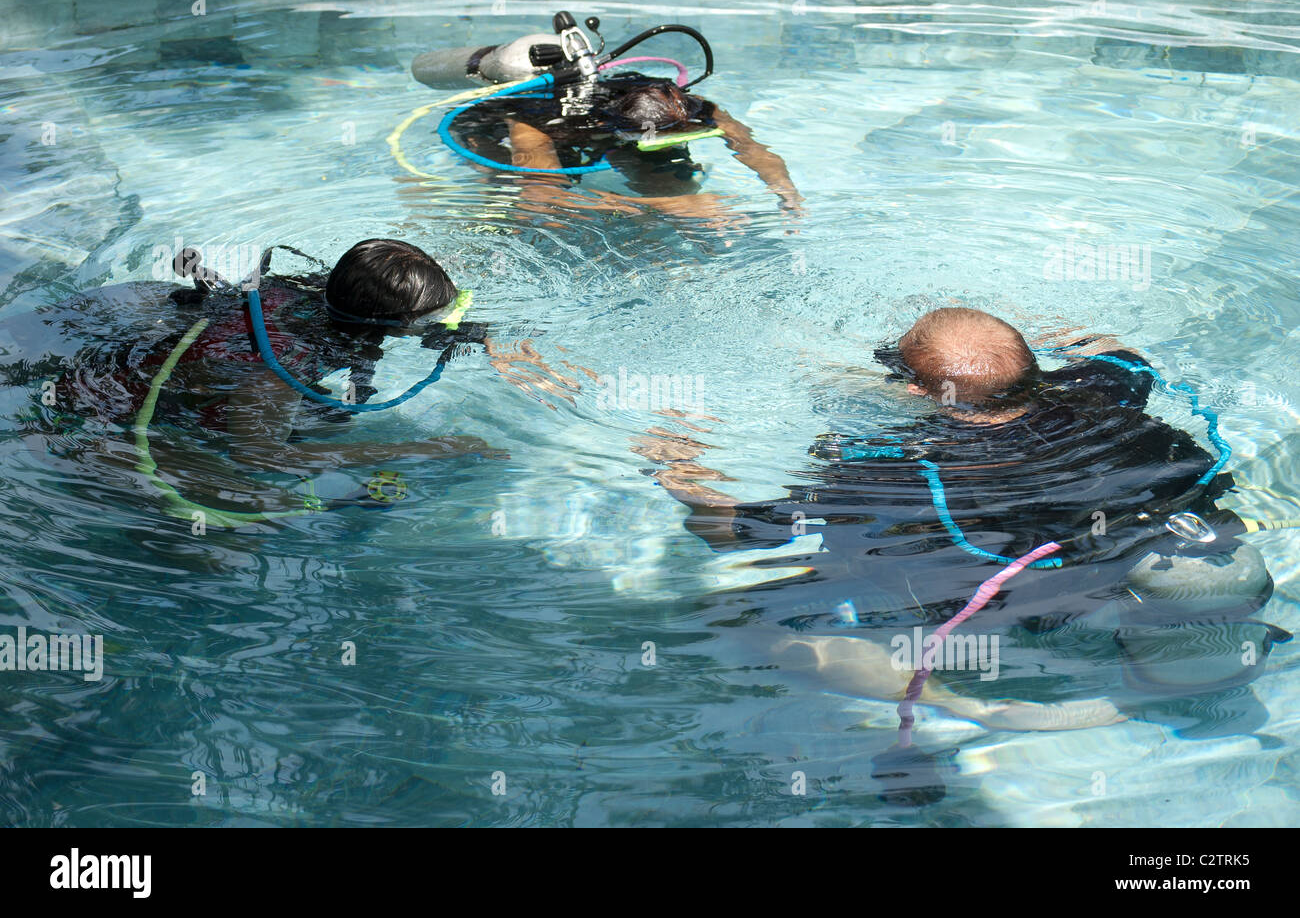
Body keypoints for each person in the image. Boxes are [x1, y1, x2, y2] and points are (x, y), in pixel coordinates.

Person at [632, 307, 1288, 731]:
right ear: (1033, 363)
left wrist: (677, 471)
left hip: (1037, 620)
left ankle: (956, 705)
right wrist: (1043, 333)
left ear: (917, 391)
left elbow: (730, 533)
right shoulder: (1110, 389)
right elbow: (1120, 354)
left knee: (737, 621)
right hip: (1151, 567)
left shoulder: (901, 470)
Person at [2, 239, 578, 523]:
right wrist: (430, 448)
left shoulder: (314, 292)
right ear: (386, 323)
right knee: (242, 530)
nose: (444, 328)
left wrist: (494, 341)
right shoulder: (277, 372)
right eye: (434, 322)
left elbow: (417, 322)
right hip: (103, 421)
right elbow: (261, 455)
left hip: (163, 364)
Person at [449, 76, 803, 226]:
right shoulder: (537, 124)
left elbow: (753, 148)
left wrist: (785, 190)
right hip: (489, 130)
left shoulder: (694, 108)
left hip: (622, 127)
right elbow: (539, 203)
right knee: (523, 206)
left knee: (673, 180)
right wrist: (670, 206)